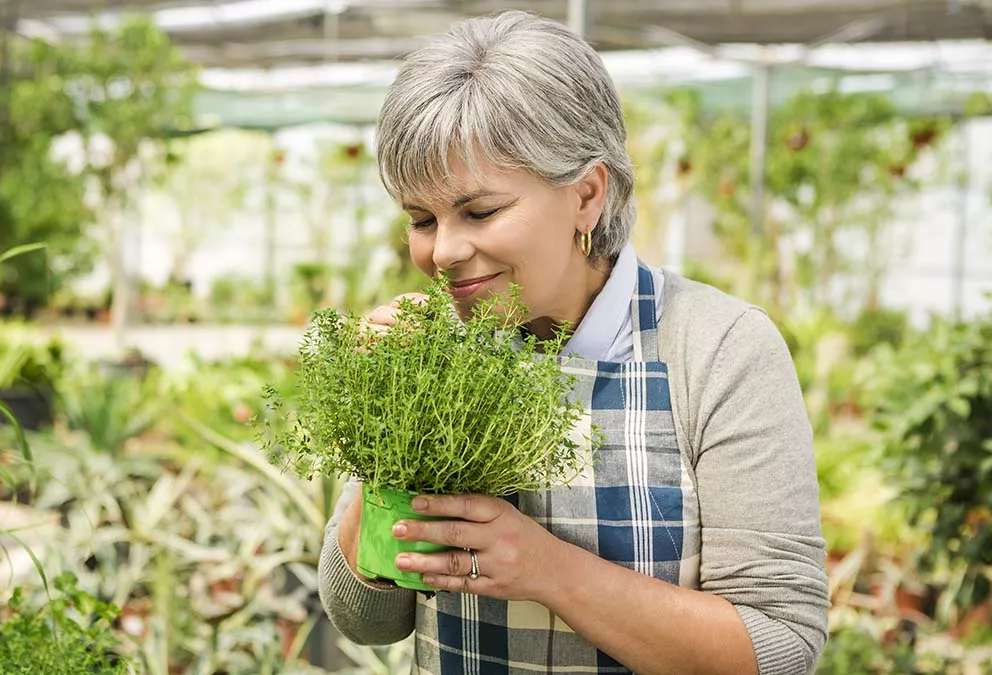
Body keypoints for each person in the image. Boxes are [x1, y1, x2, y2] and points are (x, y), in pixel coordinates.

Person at [317, 10, 829, 675]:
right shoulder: (435, 355)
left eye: (479, 211)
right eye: (421, 218)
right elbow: (365, 616)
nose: (442, 250)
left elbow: (782, 648)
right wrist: (383, 431)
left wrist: (547, 569)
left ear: (588, 194)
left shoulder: (719, 348)